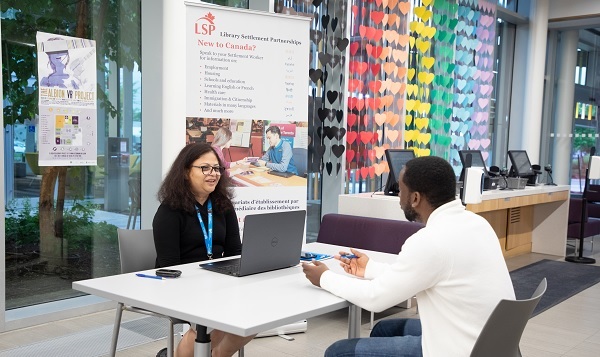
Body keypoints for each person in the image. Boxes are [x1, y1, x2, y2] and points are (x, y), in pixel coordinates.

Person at [302, 156, 515, 357]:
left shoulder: (431, 240)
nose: (398, 199)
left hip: (458, 350)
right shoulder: (477, 224)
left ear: (415, 198)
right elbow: (422, 273)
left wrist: (324, 278)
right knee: (384, 329)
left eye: (400, 190)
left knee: (339, 352)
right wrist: (370, 269)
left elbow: (375, 298)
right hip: (487, 341)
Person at [153, 143, 255, 357]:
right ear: (185, 171)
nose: (213, 174)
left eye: (217, 168)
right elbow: (169, 266)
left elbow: (235, 251)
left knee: (256, 311)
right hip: (180, 284)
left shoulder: (222, 205)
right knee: (213, 317)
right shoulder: (169, 211)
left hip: (218, 281)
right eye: (205, 168)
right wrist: (206, 286)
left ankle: (216, 355)